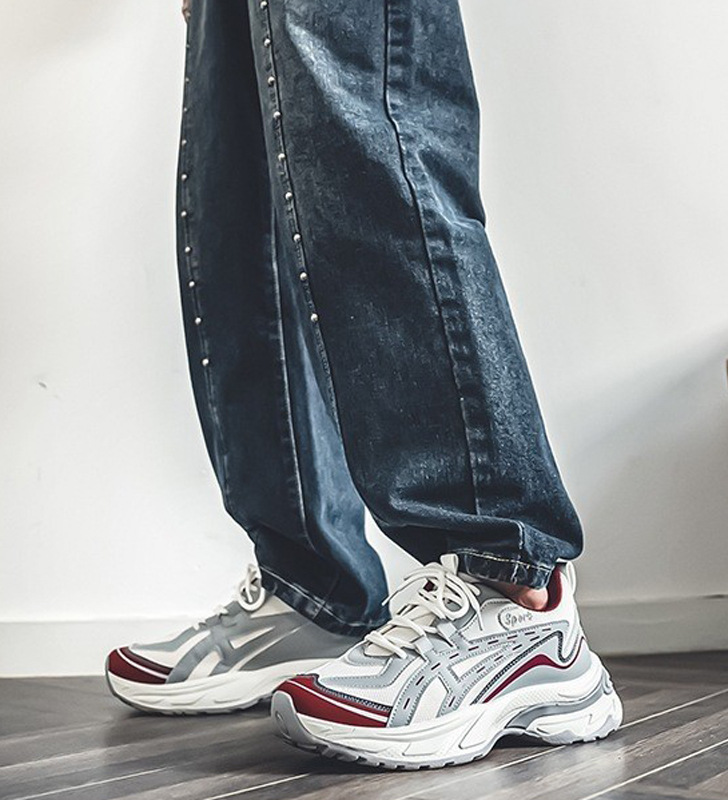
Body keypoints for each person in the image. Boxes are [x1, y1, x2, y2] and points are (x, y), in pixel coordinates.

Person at [105, 0, 623, 769]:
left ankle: (512, 591)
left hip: (517, 595)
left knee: (368, 145)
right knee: (238, 208)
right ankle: (314, 589)